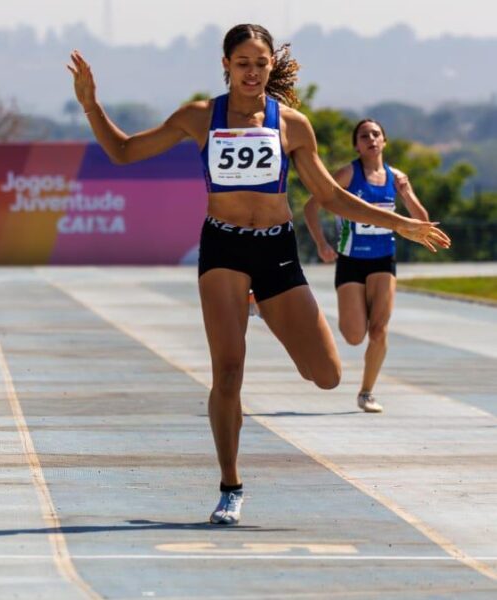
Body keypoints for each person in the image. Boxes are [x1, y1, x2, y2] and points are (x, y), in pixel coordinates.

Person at [67, 24, 450, 525]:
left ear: (272, 67)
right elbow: (122, 152)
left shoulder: (292, 123)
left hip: (276, 252)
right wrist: (91, 105)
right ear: (225, 64)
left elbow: (331, 197)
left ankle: (267, 306)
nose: (252, 72)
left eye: (260, 63)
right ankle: (230, 485)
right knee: (228, 371)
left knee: (329, 376)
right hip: (223, 248)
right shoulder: (199, 117)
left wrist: (403, 222)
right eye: (242, 62)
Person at [303, 119, 430, 414]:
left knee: (379, 330)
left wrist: (407, 193)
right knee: (354, 335)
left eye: (376, 134)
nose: (371, 139)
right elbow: (312, 206)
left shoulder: (396, 178)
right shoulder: (348, 174)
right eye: (364, 135)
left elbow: (421, 222)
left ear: (384, 141)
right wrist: (322, 243)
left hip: (384, 259)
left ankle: (366, 392)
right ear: (356, 145)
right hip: (351, 261)